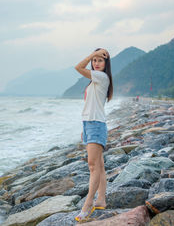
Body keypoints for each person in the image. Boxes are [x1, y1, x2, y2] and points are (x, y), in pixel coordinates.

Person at [74, 48, 113, 222]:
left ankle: (88, 204)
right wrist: (84, 128)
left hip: (96, 125)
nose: (96, 63)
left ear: (106, 63)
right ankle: (101, 200)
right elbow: (91, 106)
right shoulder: (95, 80)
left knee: (92, 166)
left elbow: (78, 67)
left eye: (100, 60)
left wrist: (90, 54)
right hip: (90, 124)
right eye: (94, 60)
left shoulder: (102, 77)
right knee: (99, 166)